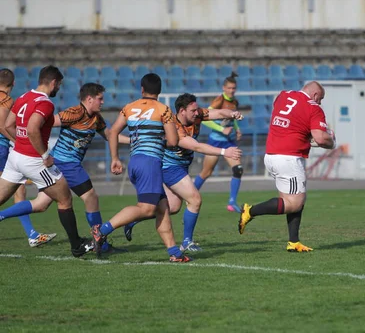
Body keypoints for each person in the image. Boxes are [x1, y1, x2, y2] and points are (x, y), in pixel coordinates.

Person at [123, 93, 243, 252]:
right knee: (195, 199)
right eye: (193, 110)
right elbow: (197, 147)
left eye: (196, 109)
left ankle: (132, 219)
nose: (197, 112)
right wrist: (223, 152)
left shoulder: (196, 115)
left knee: (172, 207)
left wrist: (232, 114)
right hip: (169, 167)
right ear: (182, 111)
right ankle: (187, 241)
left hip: (180, 167)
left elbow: (219, 113)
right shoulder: (172, 125)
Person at [90, 73, 190, 262]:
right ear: (159, 91)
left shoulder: (129, 107)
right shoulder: (163, 109)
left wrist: (115, 158)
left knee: (162, 208)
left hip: (135, 161)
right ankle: (101, 230)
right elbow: (173, 140)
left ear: (142, 90)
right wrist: (161, 139)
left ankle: (174, 253)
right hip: (150, 162)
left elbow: (112, 132)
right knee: (146, 209)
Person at [0, 65, 93, 257]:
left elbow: (8, 124)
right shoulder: (45, 103)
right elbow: (33, 129)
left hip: (15, 156)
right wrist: (44, 155)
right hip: (33, 160)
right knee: (65, 198)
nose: (59, 88)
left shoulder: (24, 96)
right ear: (53, 82)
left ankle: (76, 243)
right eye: (59, 84)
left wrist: (20, 143)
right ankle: (77, 246)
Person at [27, 83, 129, 253]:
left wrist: (135, 141)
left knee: (41, 204)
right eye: (100, 98)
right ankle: (100, 242)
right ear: (89, 99)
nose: (103, 102)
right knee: (91, 196)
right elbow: (47, 122)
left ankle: (2, 215)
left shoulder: (96, 118)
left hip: (64, 164)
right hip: (66, 163)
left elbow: (111, 136)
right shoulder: (73, 113)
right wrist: (32, 138)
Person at [238, 81, 336, 252]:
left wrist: (304, 136)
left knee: (293, 199)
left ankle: (293, 242)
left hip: (271, 155)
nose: (319, 103)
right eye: (320, 99)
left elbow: (290, 122)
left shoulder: (283, 95)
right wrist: (331, 141)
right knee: (295, 203)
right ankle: (250, 211)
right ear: (314, 95)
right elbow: (320, 138)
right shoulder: (313, 108)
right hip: (288, 159)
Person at [0, 68, 57, 248]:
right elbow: (3, 126)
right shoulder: (6, 100)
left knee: (17, 190)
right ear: (13, 83)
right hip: (2, 148)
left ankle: (32, 234)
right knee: (18, 191)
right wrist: (22, 142)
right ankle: (32, 235)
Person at [194, 72, 244, 213]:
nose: (231, 90)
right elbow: (205, 119)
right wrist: (221, 129)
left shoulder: (234, 102)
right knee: (206, 172)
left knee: (238, 169)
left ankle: (232, 202)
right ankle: (189, 195)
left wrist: (237, 129)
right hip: (215, 142)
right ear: (224, 88)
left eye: (234, 88)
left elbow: (232, 119)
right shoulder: (218, 101)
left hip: (229, 142)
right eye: (229, 88)